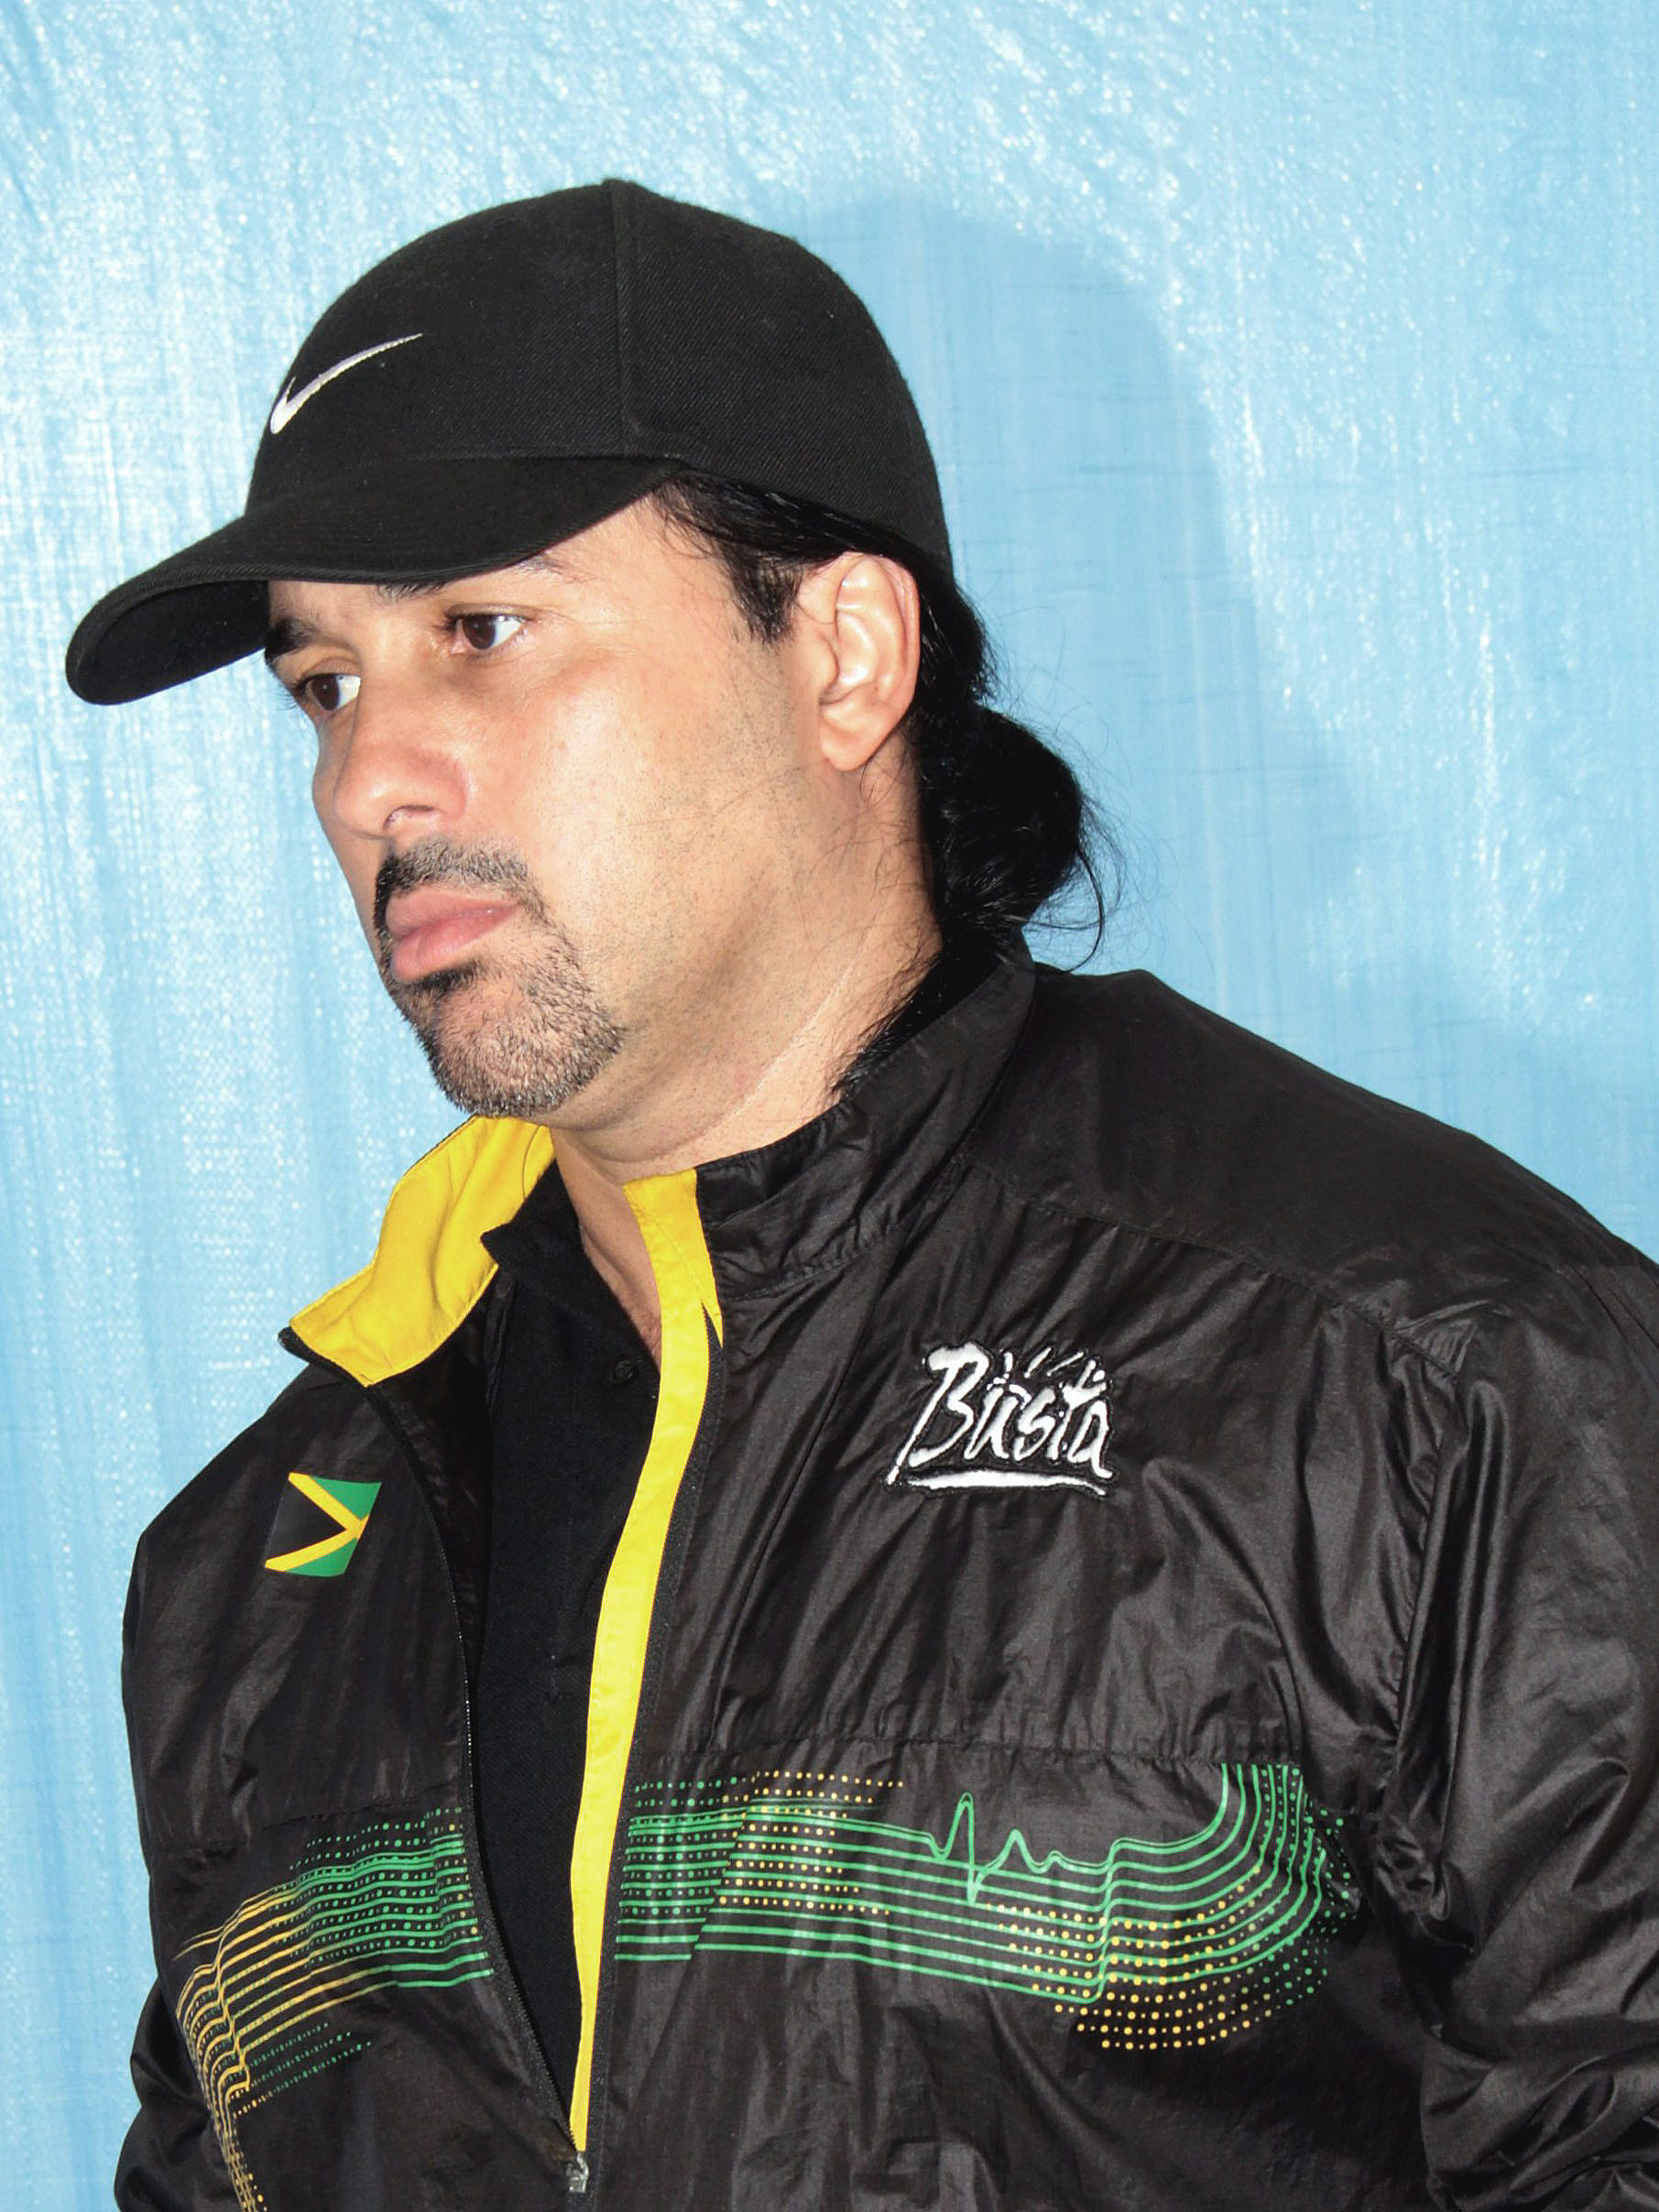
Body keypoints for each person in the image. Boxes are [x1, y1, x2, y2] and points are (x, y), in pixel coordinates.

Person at [67, 180, 1659, 2212]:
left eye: (481, 630)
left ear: (843, 654)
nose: (370, 777)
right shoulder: (261, 1565)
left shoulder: (1426, 1367)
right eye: (325, 682)